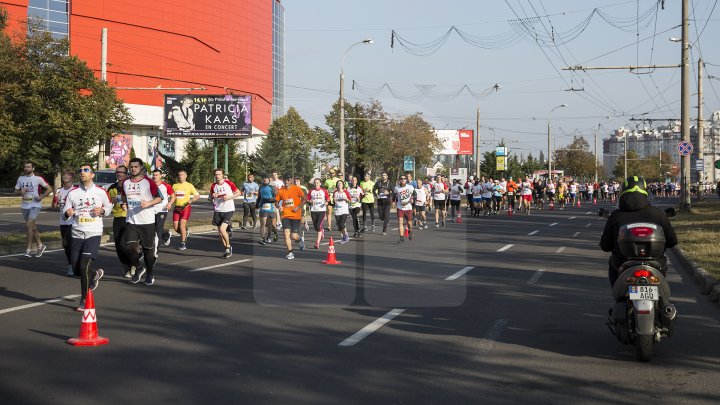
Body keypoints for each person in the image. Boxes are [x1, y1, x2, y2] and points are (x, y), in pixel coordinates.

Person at [600, 176, 678, 287]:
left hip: (623, 263)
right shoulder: (657, 213)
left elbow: (605, 245)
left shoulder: (616, 215)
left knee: (613, 262)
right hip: (656, 264)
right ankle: (663, 300)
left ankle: (619, 297)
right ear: (645, 192)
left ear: (623, 192)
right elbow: (672, 241)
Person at [62, 164, 113, 311]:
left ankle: (84, 299)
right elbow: (64, 214)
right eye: (80, 170)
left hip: (93, 232)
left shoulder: (100, 192)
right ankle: (94, 274)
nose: (82, 172)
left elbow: (109, 207)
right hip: (77, 232)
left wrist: (102, 210)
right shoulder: (73, 193)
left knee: (84, 265)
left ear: (92, 175)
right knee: (77, 269)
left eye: (86, 170)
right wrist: (67, 213)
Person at [122, 158, 164, 285]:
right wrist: (124, 204)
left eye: (136, 167)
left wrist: (148, 203)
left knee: (148, 251)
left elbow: (160, 198)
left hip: (147, 221)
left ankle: (150, 272)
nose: (133, 169)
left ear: (140, 167)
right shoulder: (125, 183)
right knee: (129, 248)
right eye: (131, 167)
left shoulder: (148, 182)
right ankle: (139, 267)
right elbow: (124, 196)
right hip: (131, 220)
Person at [14, 161, 51, 257]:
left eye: (28, 167)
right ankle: (41, 245)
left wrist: (41, 197)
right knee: (32, 227)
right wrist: (20, 191)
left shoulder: (38, 179)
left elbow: (49, 189)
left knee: (28, 224)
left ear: (33, 168)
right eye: (25, 167)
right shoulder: (20, 178)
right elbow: (15, 192)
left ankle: (28, 250)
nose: (26, 168)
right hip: (24, 205)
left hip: (35, 205)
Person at [107, 165, 134, 277]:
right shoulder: (111, 188)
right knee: (118, 246)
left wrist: (127, 205)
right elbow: (106, 203)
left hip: (129, 218)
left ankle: (134, 264)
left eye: (122, 172)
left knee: (125, 245)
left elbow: (135, 200)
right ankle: (129, 267)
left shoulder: (130, 186)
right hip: (117, 218)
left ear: (126, 174)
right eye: (117, 172)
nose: (119, 174)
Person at [209, 168, 239, 259]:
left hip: (228, 209)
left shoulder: (229, 183)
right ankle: (227, 248)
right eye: (216, 174)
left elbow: (238, 193)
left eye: (219, 174)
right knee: (221, 234)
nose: (217, 176)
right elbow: (210, 198)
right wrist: (212, 196)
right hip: (218, 210)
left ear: (222, 175)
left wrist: (229, 197)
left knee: (222, 229)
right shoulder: (213, 186)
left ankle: (228, 247)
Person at [276, 174, 307, 259]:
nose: (286, 182)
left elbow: (305, 198)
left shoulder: (296, 188)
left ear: (291, 180)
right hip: (285, 215)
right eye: (285, 180)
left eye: (288, 180)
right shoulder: (281, 190)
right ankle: (290, 252)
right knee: (286, 234)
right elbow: (276, 202)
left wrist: (298, 207)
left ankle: (300, 239)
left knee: (294, 236)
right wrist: (279, 206)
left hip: (295, 215)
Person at [52, 169, 76, 276]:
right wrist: (55, 199)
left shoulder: (76, 190)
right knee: (66, 245)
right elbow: (54, 206)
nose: (65, 176)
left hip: (74, 221)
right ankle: (72, 264)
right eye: (64, 175)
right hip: (63, 221)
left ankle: (72, 265)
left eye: (68, 174)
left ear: (72, 177)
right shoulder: (59, 190)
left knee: (67, 243)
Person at [171, 169, 200, 251]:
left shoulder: (189, 185)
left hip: (185, 208)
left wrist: (190, 201)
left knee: (182, 225)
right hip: (176, 208)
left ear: (186, 176)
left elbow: (197, 196)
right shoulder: (174, 185)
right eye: (179, 175)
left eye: (182, 175)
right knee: (176, 228)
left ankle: (182, 243)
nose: (180, 176)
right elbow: (171, 196)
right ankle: (185, 233)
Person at [152, 169, 176, 248]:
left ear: (161, 176)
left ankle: (156, 248)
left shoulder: (166, 186)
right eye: (154, 175)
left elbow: (173, 196)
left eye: (157, 175)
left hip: (162, 209)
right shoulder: (150, 185)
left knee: (159, 227)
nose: (155, 176)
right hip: (151, 210)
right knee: (152, 228)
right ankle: (166, 234)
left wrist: (170, 203)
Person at [307, 178, 330, 249]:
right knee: (315, 227)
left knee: (318, 226)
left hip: (321, 210)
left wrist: (326, 202)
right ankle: (321, 231)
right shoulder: (311, 191)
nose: (316, 184)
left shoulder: (324, 191)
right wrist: (310, 201)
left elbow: (328, 198)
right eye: (315, 183)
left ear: (320, 183)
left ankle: (317, 243)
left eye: (317, 183)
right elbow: (307, 199)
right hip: (313, 210)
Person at [257, 176, 279, 245]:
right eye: (264, 178)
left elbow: (277, 197)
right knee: (263, 224)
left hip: (272, 208)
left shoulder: (272, 188)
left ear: (269, 180)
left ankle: (275, 233)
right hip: (263, 208)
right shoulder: (260, 188)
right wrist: (257, 204)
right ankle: (263, 238)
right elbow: (259, 197)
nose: (265, 179)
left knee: (273, 224)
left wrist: (268, 200)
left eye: (266, 178)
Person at [394, 175, 415, 243]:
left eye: (404, 179)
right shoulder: (397, 188)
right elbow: (394, 195)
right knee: (400, 222)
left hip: (408, 207)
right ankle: (401, 237)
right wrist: (393, 201)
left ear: (406, 180)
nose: (403, 180)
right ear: (399, 180)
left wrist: (412, 198)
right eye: (401, 179)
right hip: (400, 207)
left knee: (409, 222)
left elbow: (415, 194)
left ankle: (410, 231)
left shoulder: (410, 187)